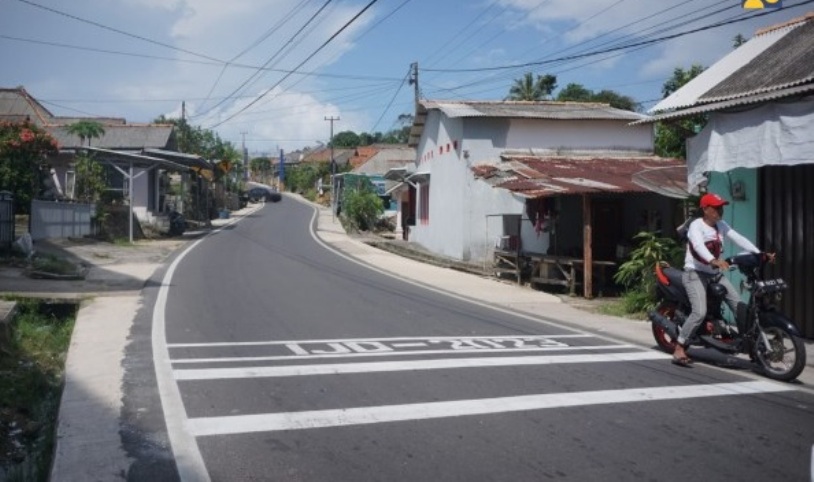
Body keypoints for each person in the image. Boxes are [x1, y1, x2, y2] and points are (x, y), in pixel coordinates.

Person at [671, 192, 769, 366]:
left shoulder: (720, 225)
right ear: (705, 209)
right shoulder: (696, 225)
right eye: (716, 207)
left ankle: (752, 347)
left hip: (714, 274)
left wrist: (759, 253)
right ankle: (679, 346)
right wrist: (713, 260)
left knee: (740, 307)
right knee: (699, 312)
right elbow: (698, 246)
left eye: (721, 207)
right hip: (695, 273)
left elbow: (738, 238)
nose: (720, 210)